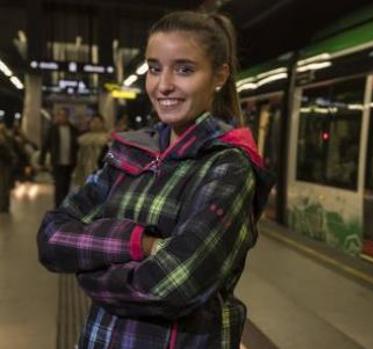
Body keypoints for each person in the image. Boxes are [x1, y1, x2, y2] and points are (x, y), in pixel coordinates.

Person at [37, 10, 273, 349]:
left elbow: (174, 285)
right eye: (154, 68)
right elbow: (51, 237)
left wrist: (87, 274)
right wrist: (138, 243)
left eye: (184, 69)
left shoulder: (227, 165)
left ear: (219, 75)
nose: (163, 85)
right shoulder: (129, 152)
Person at [39, 108, 79, 207]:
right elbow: (45, 145)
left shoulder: (73, 129)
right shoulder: (52, 129)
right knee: (58, 184)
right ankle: (57, 205)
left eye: (64, 115)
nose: (62, 118)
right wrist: (42, 159)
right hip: (57, 161)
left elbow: (77, 145)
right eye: (60, 115)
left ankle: (64, 204)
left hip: (70, 161)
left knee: (66, 184)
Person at [72, 114, 109, 186]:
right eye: (93, 122)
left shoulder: (106, 137)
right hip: (85, 168)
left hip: (100, 169)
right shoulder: (85, 137)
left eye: (98, 122)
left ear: (102, 123)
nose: (95, 124)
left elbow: (102, 141)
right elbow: (80, 141)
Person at [0, 124, 16, 213]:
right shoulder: (8, 139)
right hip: (6, 165)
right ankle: (5, 206)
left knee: (3, 186)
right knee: (5, 186)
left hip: (4, 165)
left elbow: (8, 153)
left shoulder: (5, 141)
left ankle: (3, 206)